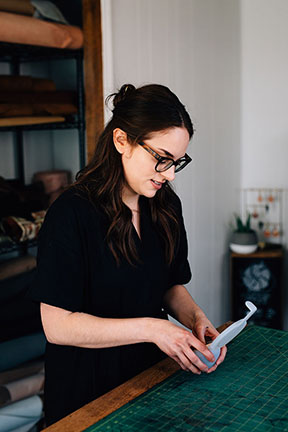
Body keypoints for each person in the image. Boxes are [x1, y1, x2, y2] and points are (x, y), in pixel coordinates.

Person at [28, 83, 227, 426]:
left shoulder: (163, 205)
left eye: (178, 162)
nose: (169, 174)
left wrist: (196, 319)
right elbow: (57, 327)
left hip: (149, 379)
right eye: (161, 159)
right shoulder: (72, 214)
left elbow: (170, 284)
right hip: (87, 394)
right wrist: (154, 329)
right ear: (122, 141)